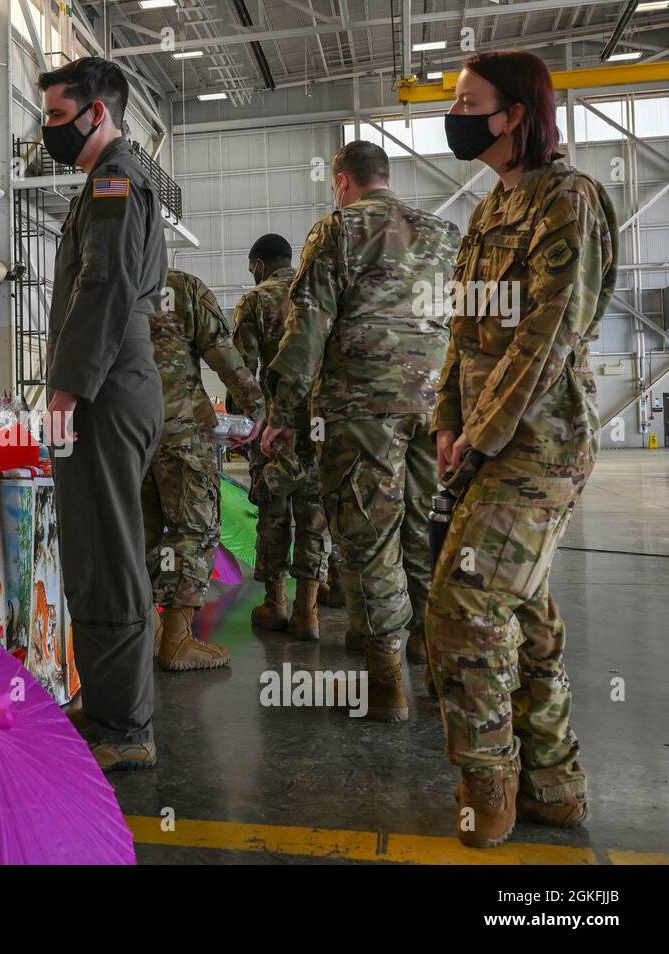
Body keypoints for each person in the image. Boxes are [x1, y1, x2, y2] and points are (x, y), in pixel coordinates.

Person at [429, 50, 616, 848]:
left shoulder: (569, 202)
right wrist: (445, 420)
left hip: (539, 448)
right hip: (482, 443)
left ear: (515, 115)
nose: (457, 115)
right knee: (523, 613)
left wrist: (481, 432)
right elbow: (461, 333)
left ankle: (490, 786)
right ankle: (553, 786)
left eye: (470, 101)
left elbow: (547, 341)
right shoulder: (486, 210)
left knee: (465, 602)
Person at [261, 141, 459, 723]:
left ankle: (387, 679)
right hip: (434, 403)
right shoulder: (444, 233)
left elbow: (306, 331)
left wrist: (282, 414)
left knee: (370, 537)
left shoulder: (336, 230)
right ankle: (429, 650)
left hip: (361, 405)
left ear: (343, 181)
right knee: (424, 528)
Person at [39, 56, 165, 772]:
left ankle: (125, 726)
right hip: (107, 380)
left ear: (98, 112)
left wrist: (66, 390)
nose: (49, 130)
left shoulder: (115, 178)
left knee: (109, 552)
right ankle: (114, 698)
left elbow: (107, 285)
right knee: (94, 544)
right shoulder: (104, 179)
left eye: (58, 116)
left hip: (105, 385)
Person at [144, 269, 264, 671]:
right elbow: (223, 354)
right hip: (179, 434)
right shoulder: (178, 286)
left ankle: (146, 633)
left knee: (138, 532)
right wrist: (258, 410)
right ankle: (177, 639)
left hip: (124, 437)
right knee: (192, 530)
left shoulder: (100, 287)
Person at [233, 234, 330, 640]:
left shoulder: (256, 300)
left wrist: (245, 420)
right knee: (314, 515)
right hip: (320, 423)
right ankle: (309, 612)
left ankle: (276, 604)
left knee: (273, 513)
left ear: (258, 264)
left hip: (275, 424)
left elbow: (242, 366)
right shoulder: (318, 295)